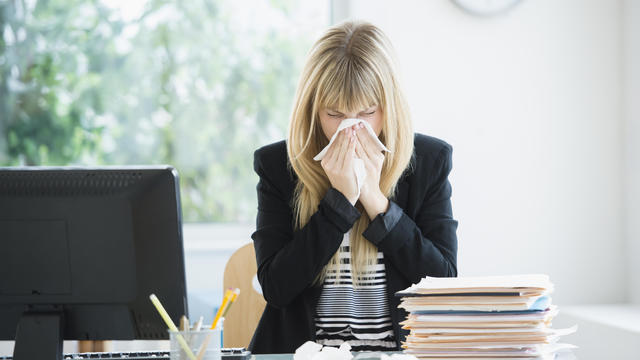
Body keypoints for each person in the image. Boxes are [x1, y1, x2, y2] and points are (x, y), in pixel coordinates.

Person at [249, 21, 458, 354]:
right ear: (313, 110)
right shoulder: (278, 166)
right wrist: (339, 204)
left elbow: (443, 284)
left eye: (367, 112)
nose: (351, 128)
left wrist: (375, 200)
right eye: (334, 114)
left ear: (389, 107)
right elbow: (276, 288)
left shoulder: (428, 162)